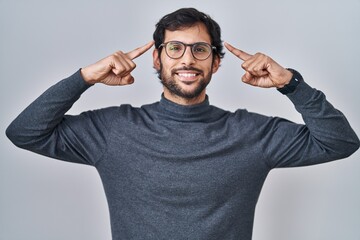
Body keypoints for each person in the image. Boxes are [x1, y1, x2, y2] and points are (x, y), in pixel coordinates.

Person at [6, 7, 359, 240]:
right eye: (174, 48)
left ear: (216, 63)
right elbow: (25, 132)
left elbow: (340, 142)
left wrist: (290, 84)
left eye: (201, 50)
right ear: (156, 59)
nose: (187, 59)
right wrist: (84, 77)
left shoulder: (253, 134)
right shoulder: (113, 130)